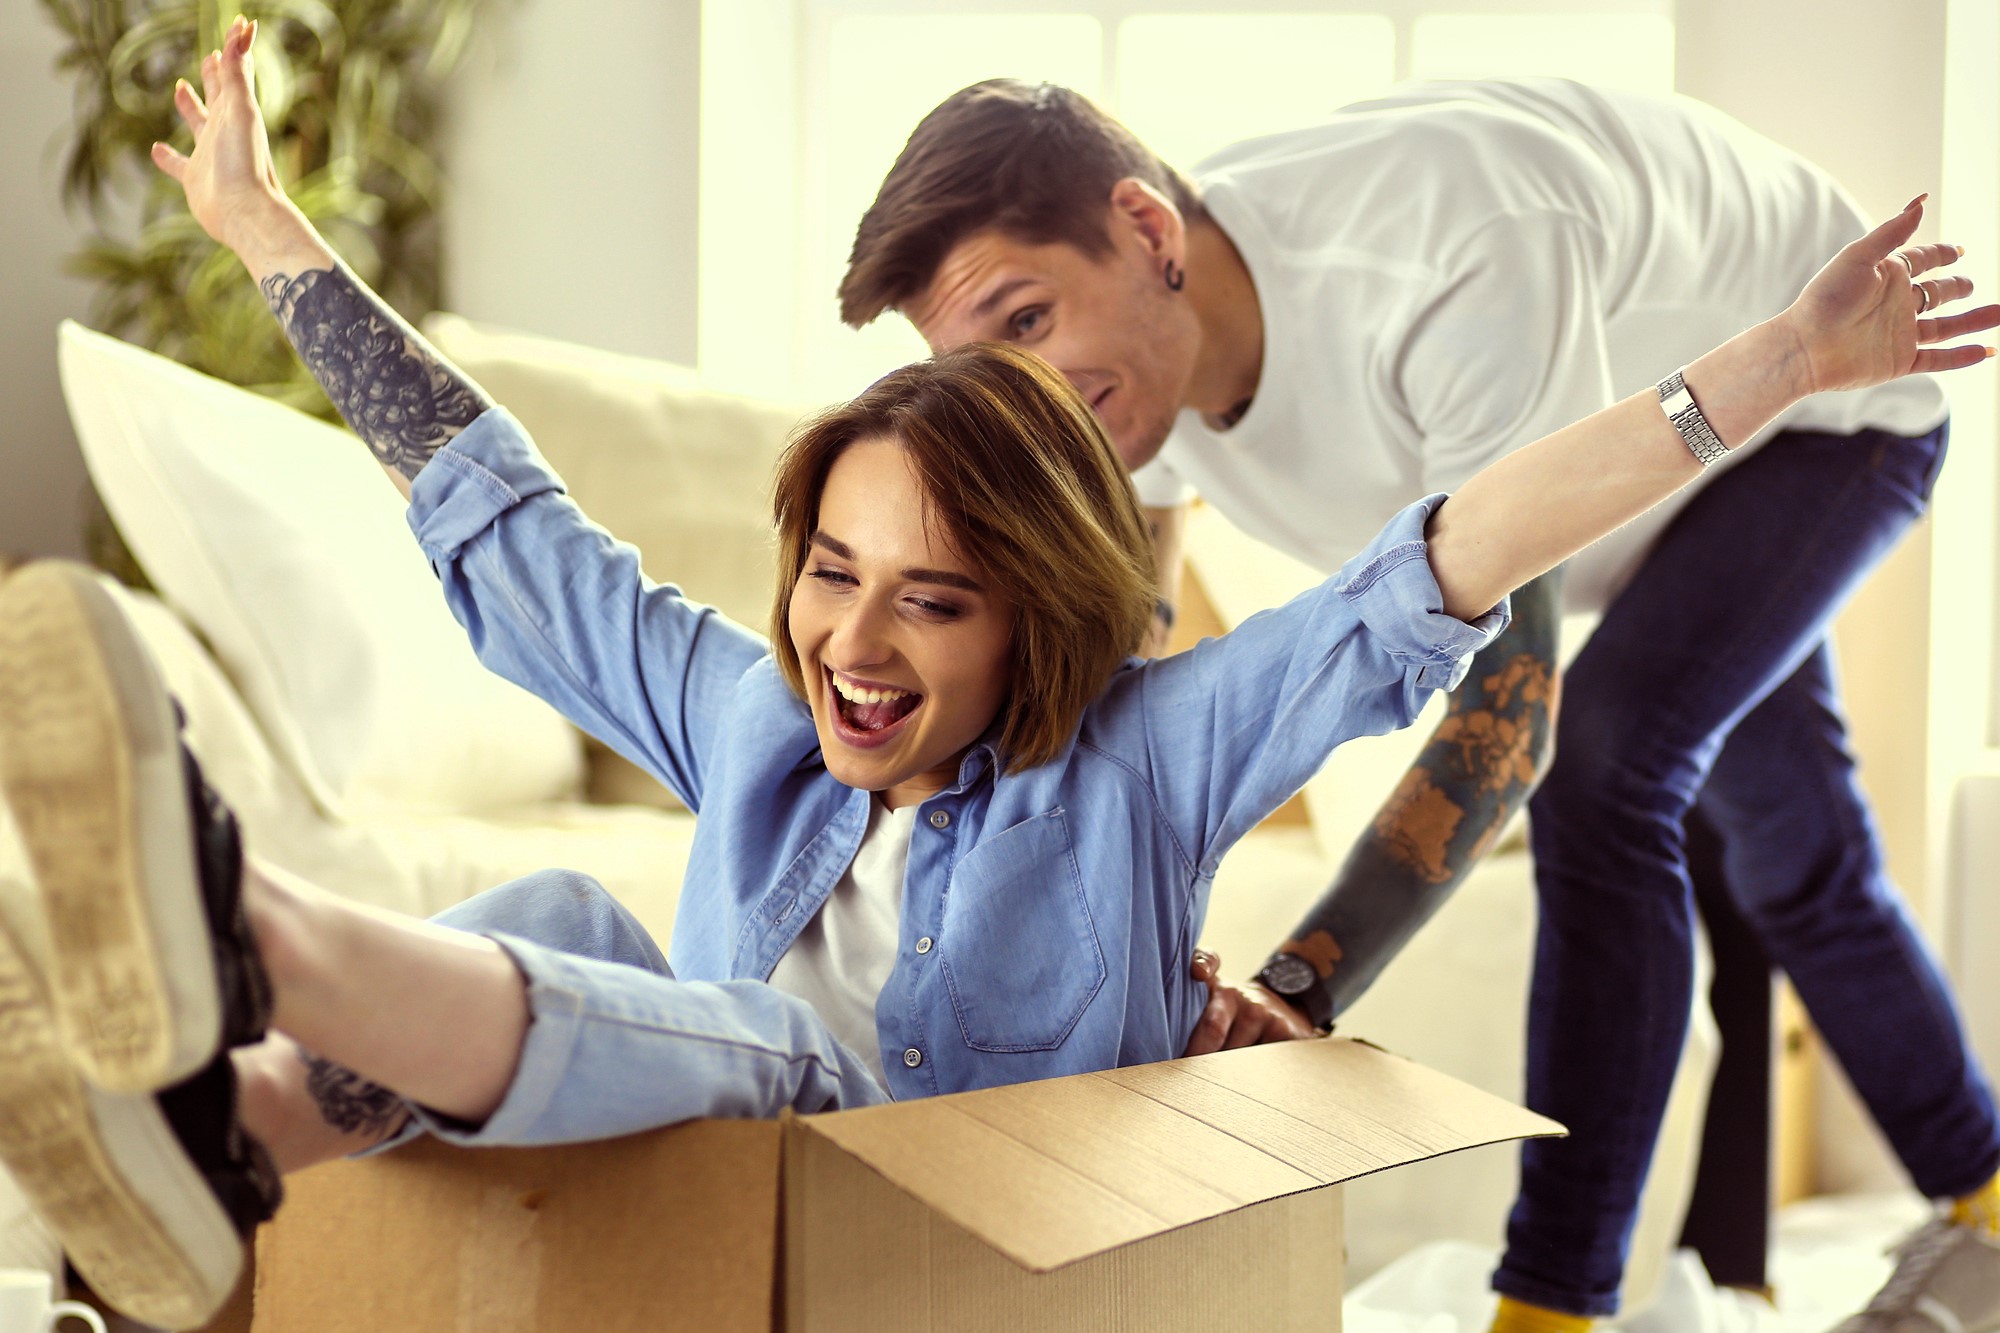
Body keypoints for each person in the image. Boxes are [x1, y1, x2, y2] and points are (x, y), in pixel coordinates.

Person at [0, 20, 1990, 1329]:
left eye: (932, 605)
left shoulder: (1154, 751)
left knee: (763, 1054)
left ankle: (232, 921)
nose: (853, 651)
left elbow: (1465, 559)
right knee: (553, 919)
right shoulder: (759, 717)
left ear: (1036, 610)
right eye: (830, 578)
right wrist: (266, 233)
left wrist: (1772, 369)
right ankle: (232, 1128)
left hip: (898, 1196)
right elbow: (508, 522)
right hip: (664, 1152)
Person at [841, 77, 2000, 1329]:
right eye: (978, 364)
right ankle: (1988, 1202)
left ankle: (1551, 1302)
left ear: (1148, 233)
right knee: (1798, 856)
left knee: (1606, 769)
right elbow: (1136, 692)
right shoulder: (1120, 378)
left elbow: (1507, 723)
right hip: (1635, 492)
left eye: (1026, 319)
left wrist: (1294, 989)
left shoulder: (1449, 260)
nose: (1024, 404)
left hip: (1823, 407)